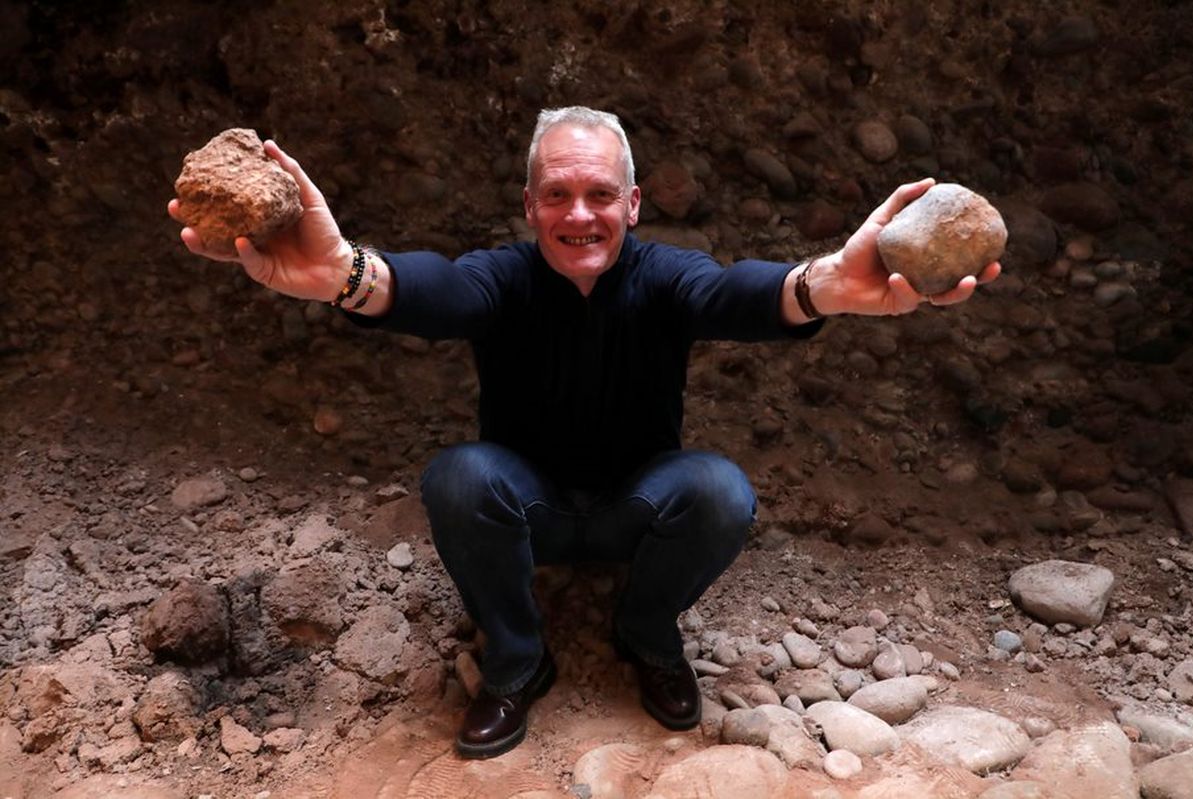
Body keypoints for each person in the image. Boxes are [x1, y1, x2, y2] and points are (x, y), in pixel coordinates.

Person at [170, 106, 1000, 759]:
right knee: (458, 475)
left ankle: (644, 630)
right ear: (530, 205)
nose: (580, 214)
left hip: (636, 511)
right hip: (523, 510)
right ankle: (517, 656)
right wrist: (344, 274)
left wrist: (826, 286)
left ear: (632, 204)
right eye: (558, 195)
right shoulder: (501, 276)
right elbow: (433, 290)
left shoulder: (667, 274)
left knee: (720, 489)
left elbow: (740, 295)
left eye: (601, 194)